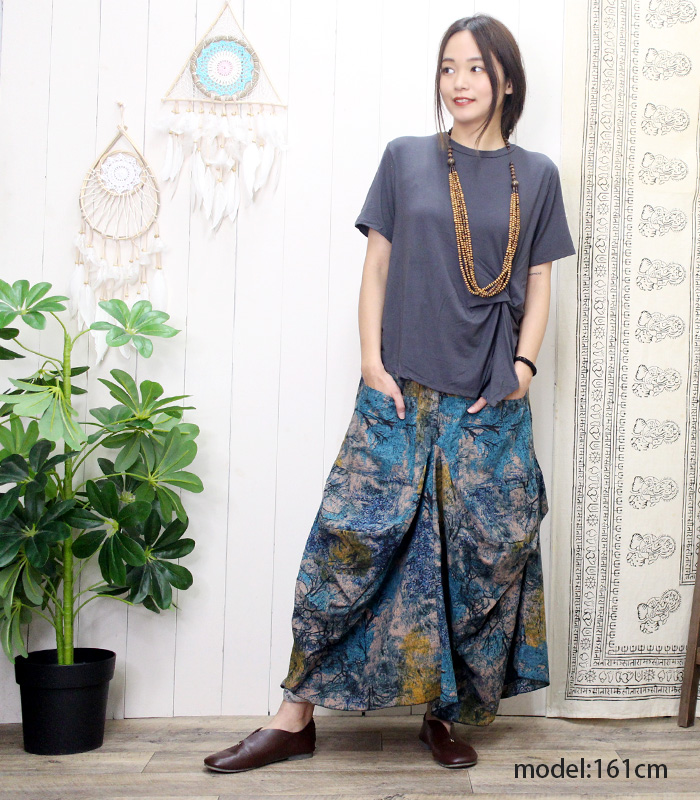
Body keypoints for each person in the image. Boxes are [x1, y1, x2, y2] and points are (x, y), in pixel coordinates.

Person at [204, 12, 576, 774]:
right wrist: (371, 362)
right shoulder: (407, 158)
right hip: (400, 391)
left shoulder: (536, 175)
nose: (459, 82)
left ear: (506, 80)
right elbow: (376, 267)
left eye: (475, 68)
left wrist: (524, 368)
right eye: (447, 68)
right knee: (348, 544)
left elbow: (540, 282)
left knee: (475, 563)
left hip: (489, 403)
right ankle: (293, 718)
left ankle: (444, 714)